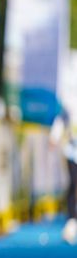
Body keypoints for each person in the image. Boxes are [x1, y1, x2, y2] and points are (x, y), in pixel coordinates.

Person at [50, 100, 77, 244]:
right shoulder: (71, 104)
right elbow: (61, 119)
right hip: (72, 152)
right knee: (73, 183)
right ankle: (72, 220)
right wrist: (54, 136)